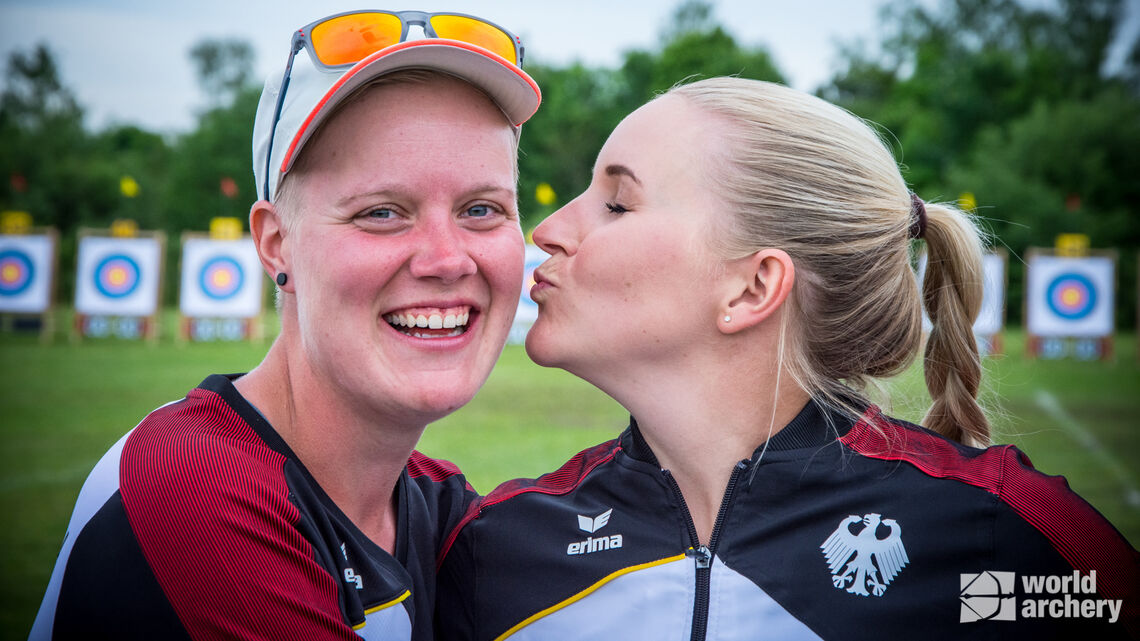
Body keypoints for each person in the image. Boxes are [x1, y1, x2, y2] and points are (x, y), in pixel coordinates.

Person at [435, 77, 1139, 640]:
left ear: (753, 286)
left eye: (617, 203)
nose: (550, 230)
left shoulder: (1005, 531)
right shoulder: (495, 551)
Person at [31, 10, 539, 640]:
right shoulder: (193, 485)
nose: (446, 259)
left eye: (482, 209)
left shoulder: (432, 504)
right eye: (382, 211)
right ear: (276, 244)